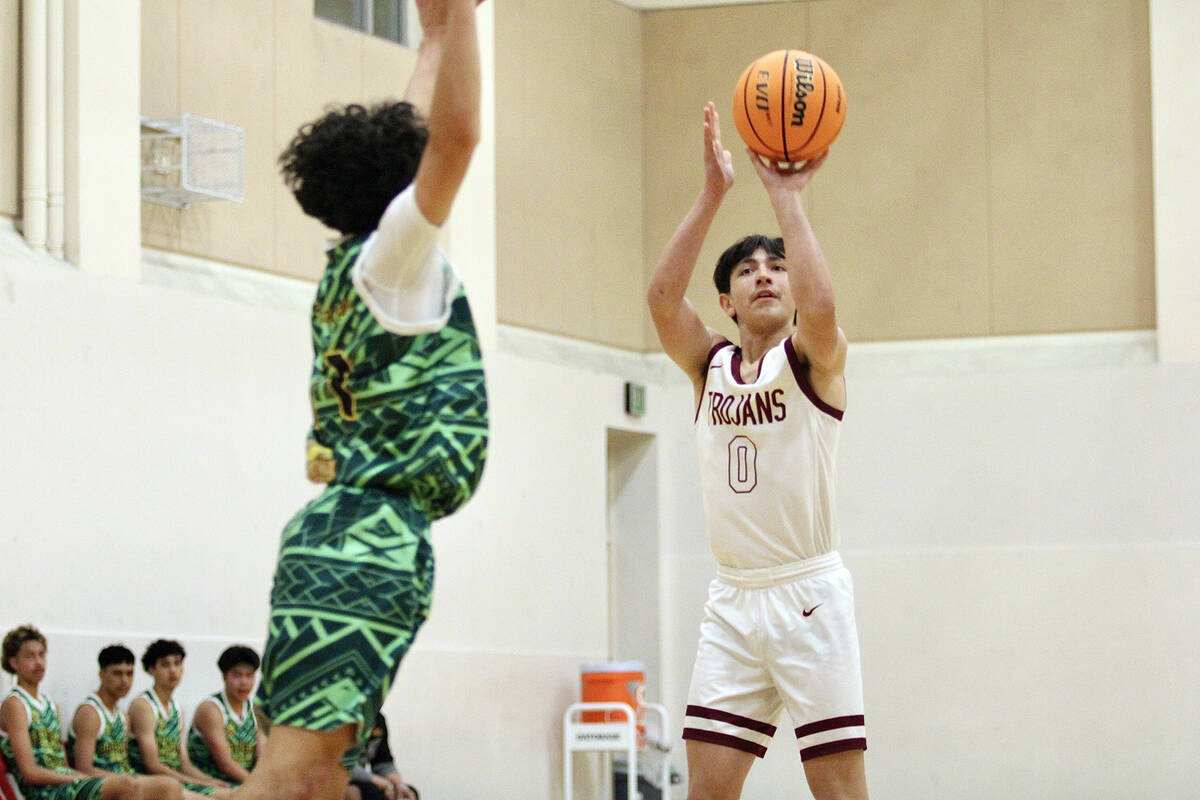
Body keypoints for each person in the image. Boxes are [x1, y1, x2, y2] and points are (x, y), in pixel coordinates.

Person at [236, 1, 489, 798]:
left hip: (362, 534)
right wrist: (464, 26)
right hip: (361, 541)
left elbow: (415, 130)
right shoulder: (392, 263)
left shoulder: (365, 265)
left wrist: (441, 33)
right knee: (295, 779)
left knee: (311, 780)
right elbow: (454, 137)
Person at [645, 103, 869, 800]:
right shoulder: (707, 366)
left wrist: (786, 197)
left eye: (778, 266)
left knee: (837, 791)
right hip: (733, 602)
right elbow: (660, 299)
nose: (767, 274)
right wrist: (712, 193)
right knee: (705, 792)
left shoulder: (812, 360)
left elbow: (824, 309)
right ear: (727, 300)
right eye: (749, 271)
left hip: (809, 596)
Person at [0, 625, 142, 800]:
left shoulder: (51, 705)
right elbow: (30, 772)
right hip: (42, 791)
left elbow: (61, 762)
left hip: (65, 783)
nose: (39, 662)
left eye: (42, 654)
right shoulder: (15, 704)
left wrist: (78, 778)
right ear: (14, 662)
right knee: (125, 786)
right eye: (30, 656)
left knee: (165, 787)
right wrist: (80, 778)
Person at [67, 645, 194, 800]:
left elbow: (124, 764)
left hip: (127, 780)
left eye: (129, 674)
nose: (124, 680)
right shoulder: (90, 712)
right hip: (101, 785)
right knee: (168, 786)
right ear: (101, 674)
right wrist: (128, 780)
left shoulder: (123, 716)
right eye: (117, 674)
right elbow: (84, 768)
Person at [127, 641, 228, 799]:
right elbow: (152, 765)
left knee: (235, 793)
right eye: (165, 665)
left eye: (177, 663)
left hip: (177, 780)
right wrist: (196, 783)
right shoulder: (143, 706)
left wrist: (209, 780)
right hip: (153, 783)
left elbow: (183, 763)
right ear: (151, 670)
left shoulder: (177, 710)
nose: (173, 670)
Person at [186, 648, 263, 785]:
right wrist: (259, 787)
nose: (244, 682)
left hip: (245, 783)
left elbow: (263, 757)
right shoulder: (211, 709)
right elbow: (226, 764)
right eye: (237, 675)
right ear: (224, 676)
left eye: (249, 675)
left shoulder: (255, 710)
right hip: (213, 784)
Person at [343, 714, 415, 800]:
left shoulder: (378, 720)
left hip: (363, 780)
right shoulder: (342, 718)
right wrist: (381, 783)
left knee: (409, 793)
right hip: (337, 777)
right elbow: (341, 763)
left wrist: (399, 785)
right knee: (361, 792)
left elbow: (383, 763)